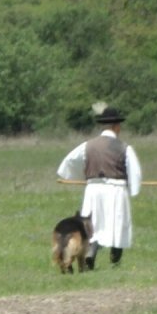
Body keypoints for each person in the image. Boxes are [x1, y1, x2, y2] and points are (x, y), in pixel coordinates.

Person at [57, 104, 142, 266]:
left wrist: (84, 177)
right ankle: (115, 259)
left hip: (93, 190)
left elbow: (69, 162)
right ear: (116, 126)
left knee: (94, 224)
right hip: (116, 189)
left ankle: (91, 252)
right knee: (117, 223)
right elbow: (134, 171)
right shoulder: (124, 148)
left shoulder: (87, 145)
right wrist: (133, 188)